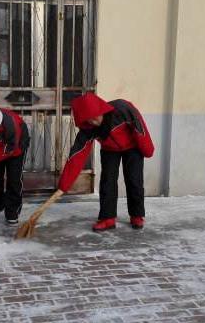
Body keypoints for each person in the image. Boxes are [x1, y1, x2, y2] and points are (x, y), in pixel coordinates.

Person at [58, 92, 155, 231]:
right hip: (110, 149)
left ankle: (137, 215)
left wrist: (147, 149)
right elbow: (77, 155)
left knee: (134, 180)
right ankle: (107, 218)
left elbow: (139, 127)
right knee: (107, 181)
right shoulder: (88, 129)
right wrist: (64, 184)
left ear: (100, 109)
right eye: (88, 120)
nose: (93, 122)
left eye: (95, 117)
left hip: (133, 146)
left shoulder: (122, 109)